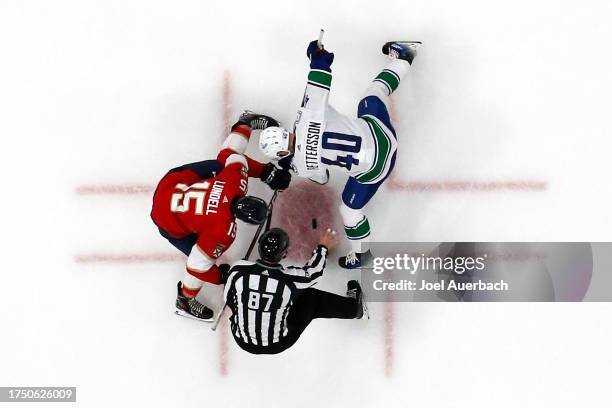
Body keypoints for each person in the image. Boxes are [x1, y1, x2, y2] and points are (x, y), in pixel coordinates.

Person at [258, 40, 420, 269]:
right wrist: (317, 57)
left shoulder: (302, 166)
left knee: (350, 211)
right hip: (381, 134)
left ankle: (362, 254)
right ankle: (404, 58)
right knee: (373, 94)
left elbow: (323, 178)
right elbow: (320, 79)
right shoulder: (307, 116)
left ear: (282, 152)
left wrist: (293, 162)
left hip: (375, 168)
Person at [151, 111, 292, 322]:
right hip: (167, 221)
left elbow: (232, 155)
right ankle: (185, 300)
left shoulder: (235, 181)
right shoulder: (221, 232)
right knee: (201, 259)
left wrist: (266, 172)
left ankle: (245, 123)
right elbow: (197, 266)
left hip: (171, 184)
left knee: (221, 163)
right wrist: (221, 277)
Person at [223, 227, 365, 354]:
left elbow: (229, 299)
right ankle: (356, 309)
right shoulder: (289, 279)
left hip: (242, 340)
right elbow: (314, 273)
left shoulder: (237, 269)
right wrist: (323, 247)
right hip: (277, 343)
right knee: (311, 297)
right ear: (284, 254)